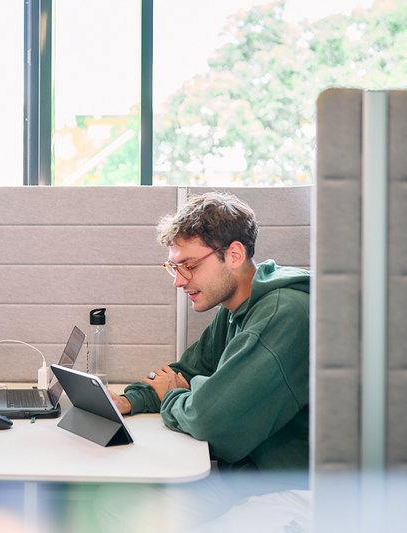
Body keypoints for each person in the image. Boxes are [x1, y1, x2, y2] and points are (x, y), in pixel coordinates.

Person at [99, 192, 311, 532]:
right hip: (247, 475)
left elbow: (211, 420)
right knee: (119, 509)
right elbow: (185, 372)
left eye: (190, 265)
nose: (178, 280)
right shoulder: (235, 309)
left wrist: (176, 395)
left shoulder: (282, 314)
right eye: (174, 266)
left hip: (297, 488)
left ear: (234, 254)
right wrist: (130, 400)